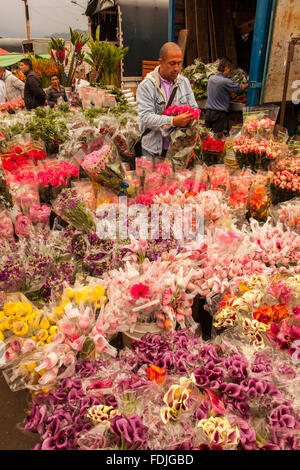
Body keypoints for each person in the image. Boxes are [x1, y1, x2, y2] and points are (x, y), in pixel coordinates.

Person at [136, 42, 198, 158]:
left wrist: (189, 117)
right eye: (172, 63)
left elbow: (194, 108)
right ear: (161, 62)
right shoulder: (147, 86)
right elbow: (146, 117)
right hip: (153, 151)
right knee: (153, 177)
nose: (176, 68)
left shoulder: (184, 83)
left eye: (179, 63)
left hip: (178, 149)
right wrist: (173, 121)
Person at [205, 58, 248, 136]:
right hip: (218, 114)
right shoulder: (225, 81)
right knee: (216, 137)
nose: (229, 71)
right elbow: (239, 88)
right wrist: (249, 84)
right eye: (229, 68)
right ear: (226, 68)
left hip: (208, 112)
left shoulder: (211, 78)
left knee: (207, 135)